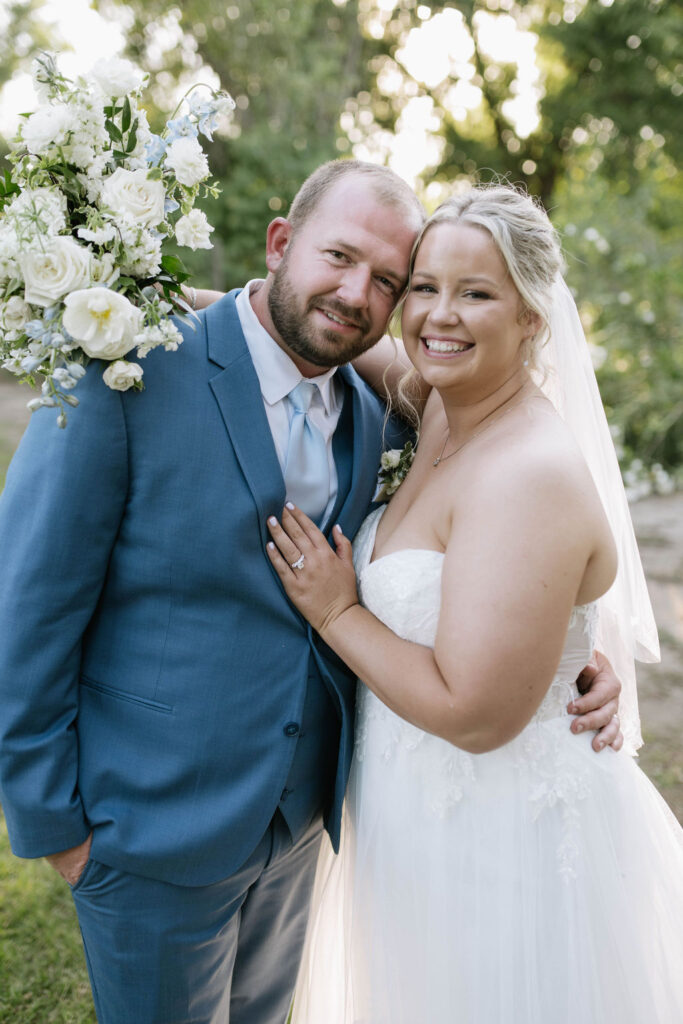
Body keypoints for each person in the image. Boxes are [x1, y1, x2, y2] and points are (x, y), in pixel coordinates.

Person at [0, 163, 621, 1024]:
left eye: (389, 282)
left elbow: (509, 578)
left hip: (304, 826)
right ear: (281, 245)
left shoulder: (392, 408)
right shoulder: (126, 377)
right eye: (341, 258)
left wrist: (560, 654)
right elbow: (27, 609)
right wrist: (52, 825)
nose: (363, 295)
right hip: (144, 830)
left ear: (528, 317)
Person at [266, 184, 683, 1023]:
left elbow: (477, 713)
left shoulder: (527, 471)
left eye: (476, 293)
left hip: (500, 840)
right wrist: (138, 294)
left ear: (533, 317)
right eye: (422, 286)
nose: (437, 316)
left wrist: (337, 611)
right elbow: (311, 331)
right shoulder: (439, 408)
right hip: (409, 814)